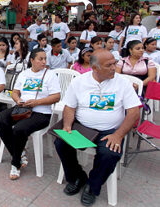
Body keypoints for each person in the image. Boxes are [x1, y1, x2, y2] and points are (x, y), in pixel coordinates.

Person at [55, 49, 140, 206]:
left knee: (110, 153)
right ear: (95, 68)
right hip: (83, 127)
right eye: (108, 65)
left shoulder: (122, 83)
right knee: (61, 142)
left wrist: (119, 135)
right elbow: (69, 107)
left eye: (114, 63)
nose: (114, 68)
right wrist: (67, 125)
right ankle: (77, 177)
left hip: (110, 130)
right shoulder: (79, 82)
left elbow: (134, 112)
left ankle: (92, 186)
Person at [0, 48, 61, 180]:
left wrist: (37, 102)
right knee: (0, 119)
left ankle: (15, 164)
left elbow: (56, 97)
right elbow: (15, 92)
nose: (44, 62)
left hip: (41, 113)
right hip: (22, 109)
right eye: (40, 59)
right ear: (32, 60)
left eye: (45, 59)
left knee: (20, 129)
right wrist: (18, 100)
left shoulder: (50, 75)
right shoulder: (24, 74)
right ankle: (19, 153)